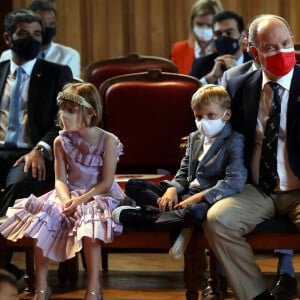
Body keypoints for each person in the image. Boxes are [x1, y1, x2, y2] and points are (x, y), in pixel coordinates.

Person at [203, 14, 300, 300]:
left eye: (286, 43)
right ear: (254, 52)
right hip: (256, 189)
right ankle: (256, 295)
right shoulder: (237, 82)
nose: (282, 52)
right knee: (217, 221)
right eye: (270, 48)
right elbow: (214, 125)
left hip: (299, 189)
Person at [0, 82, 126, 300]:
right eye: (62, 109)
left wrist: (81, 201)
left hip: (98, 195)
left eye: (71, 110)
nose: (63, 115)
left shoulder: (107, 140)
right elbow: (60, 179)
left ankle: (94, 287)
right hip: (69, 194)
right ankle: (41, 284)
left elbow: (106, 182)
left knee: (90, 227)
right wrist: (66, 199)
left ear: (90, 112)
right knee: (42, 220)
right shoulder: (60, 140)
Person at [112, 84, 247, 258]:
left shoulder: (235, 140)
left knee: (195, 213)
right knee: (134, 185)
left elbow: (234, 181)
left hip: (205, 198)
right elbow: (183, 172)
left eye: (210, 115)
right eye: (198, 116)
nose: (203, 121)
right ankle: (174, 218)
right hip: (185, 193)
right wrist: (172, 188)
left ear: (226, 114)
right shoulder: (194, 137)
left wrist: (200, 197)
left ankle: (145, 217)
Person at [0, 9, 73, 278]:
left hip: (32, 152)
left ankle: (2, 265)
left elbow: (65, 120)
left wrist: (41, 148)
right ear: (8, 38)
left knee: (20, 184)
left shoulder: (57, 73)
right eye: (23, 34)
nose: (31, 39)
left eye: (37, 34)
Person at [0, 0, 81, 78]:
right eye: (43, 24)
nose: (48, 28)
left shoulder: (69, 56)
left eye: (51, 24)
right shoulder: (7, 56)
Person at [189, 10, 252, 84]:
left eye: (229, 33)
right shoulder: (201, 64)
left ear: (242, 36)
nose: (223, 38)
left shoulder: (255, 62)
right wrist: (210, 78)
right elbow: (188, 93)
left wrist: (237, 75)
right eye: (218, 34)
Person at [170, 0, 223, 74]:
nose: (204, 29)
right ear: (192, 23)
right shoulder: (179, 50)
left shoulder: (224, 51)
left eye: (209, 25)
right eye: (199, 24)